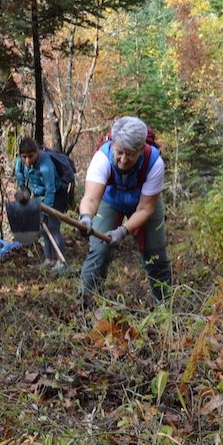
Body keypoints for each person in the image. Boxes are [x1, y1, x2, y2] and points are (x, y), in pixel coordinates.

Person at [76, 116, 172, 306]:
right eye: (119, 152)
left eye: (130, 154)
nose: (123, 160)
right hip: (110, 200)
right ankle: (84, 307)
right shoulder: (102, 158)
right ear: (113, 144)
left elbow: (145, 209)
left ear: (140, 150)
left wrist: (123, 230)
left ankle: (165, 309)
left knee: (155, 253)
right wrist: (86, 217)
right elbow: (91, 198)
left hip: (143, 202)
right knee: (99, 250)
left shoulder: (154, 162)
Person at [14, 136, 68, 271]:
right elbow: (18, 171)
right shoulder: (20, 162)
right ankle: (49, 260)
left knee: (53, 228)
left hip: (57, 196)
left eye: (30, 156)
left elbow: (51, 189)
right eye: (24, 156)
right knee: (43, 230)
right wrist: (23, 187)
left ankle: (61, 262)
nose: (27, 160)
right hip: (39, 197)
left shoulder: (46, 165)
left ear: (37, 152)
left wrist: (46, 212)